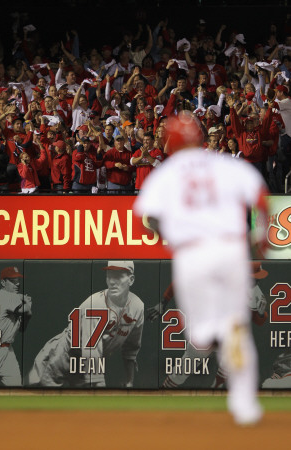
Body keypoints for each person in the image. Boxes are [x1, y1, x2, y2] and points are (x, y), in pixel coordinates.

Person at [134, 112, 269, 425]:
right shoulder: (226, 164)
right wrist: (259, 239)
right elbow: (261, 198)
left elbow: (140, 220)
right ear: (201, 139)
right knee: (236, 326)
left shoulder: (167, 173)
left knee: (200, 333)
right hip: (231, 250)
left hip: (193, 254)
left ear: (172, 143)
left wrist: (167, 238)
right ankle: (244, 404)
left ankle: (212, 331)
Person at [28, 261, 144, 388]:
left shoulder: (137, 306)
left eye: (118, 276)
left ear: (131, 280)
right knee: (44, 406)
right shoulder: (95, 304)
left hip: (83, 364)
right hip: (59, 358)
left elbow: (131, 349)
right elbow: (91, 351)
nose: (112, 281)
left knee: (82, 406)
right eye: (109, 275)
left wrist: (129, 381)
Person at [0, 266, 32, 386]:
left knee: (15, 386)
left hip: (7, 350)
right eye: (12, 281)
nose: (17, 284)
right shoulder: (7, 296)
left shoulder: (2, 296)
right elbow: (28, 311)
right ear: (3, 282)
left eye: (18, 281)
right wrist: (27, 302)